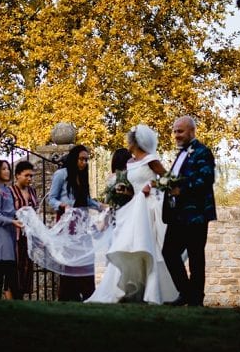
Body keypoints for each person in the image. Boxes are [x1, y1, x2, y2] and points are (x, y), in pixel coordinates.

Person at [86, 124, 179, 304]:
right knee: (129, 246)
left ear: (136, 142)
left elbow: (169, 179)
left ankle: (154, 291)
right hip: (134, 206)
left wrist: (151, 185)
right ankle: (129, 289)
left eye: (129, 140)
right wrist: (125, 191)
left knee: (149, 246)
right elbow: (132, 186)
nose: (127, 143)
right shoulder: (129, 163)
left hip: (150, 206)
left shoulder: (151, 159)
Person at [161, 115, 217, 307]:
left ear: (192, 131)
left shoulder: (202, 152)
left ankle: (196, 299)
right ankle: (185, 292)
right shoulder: (181, 153)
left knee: (195, 257)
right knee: (168, 252)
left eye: (180, 131)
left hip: (197, 214)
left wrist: (181, 189)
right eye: (175, 131)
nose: (176, 135)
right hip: (178, 214)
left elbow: (206, 179)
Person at [45, 144, 102, 301]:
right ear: (74, 158)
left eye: (86, 160)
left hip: (81, 223)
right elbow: (51, 199)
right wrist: (61, 205)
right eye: (81, 159)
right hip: (67, 222)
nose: (84, 162)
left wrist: (99, 206)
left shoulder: (82, 176)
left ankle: (88, 293)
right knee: (70, 258)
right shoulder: (61, 174)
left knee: (85, 256)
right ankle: (68, 295)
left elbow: (85, 200)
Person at [0, 159, 22, 300]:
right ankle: (0, 299)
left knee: (4, 268)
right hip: (0, 234)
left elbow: (10, 210)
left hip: (9, 232)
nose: (7, 171)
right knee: (4, 268)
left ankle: (0, 300)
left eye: (8, 168)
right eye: (3, 169)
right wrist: (12, 221)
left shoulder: (6, 189)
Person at [9, 159, 39, 299]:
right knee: (14, 267)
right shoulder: (10, 191)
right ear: (17, 175)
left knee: (26, 267)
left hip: (28, 235)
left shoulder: (32, 191)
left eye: (31, 176)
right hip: (14, 235)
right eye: (26, 175)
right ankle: (12, 299)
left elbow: (35, 212)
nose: (29, 178)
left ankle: (21, 297)